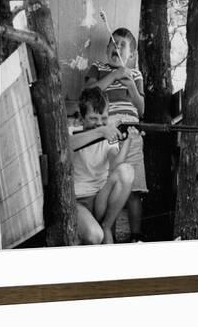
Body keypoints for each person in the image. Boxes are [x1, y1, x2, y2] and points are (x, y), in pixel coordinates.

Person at [84, 27, 147, 243]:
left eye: (122, 45)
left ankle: (136, 236)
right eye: (113, 43)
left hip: (131, 134)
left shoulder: (135, 74)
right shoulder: (98, 68)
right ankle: (99, 227)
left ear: (131, 56)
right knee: (106, 178)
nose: (117, 46)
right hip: (106, 132)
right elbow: (90, 94)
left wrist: (132, 88)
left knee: (135, 187)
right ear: (106, 49)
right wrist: (113, 75)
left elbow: (141, 109)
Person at [69, 87, 136, 245]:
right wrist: (101, 131)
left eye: (104, 118)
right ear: (82, 118)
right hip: (77, 201)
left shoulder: (107, 137)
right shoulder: (71, 132)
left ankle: (107, 225)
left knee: (127, 171)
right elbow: (68, 145)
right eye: (93, 118)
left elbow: (116, 166)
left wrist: (127, 142)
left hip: (100, 199)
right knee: (94, 236)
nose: (99, 123)